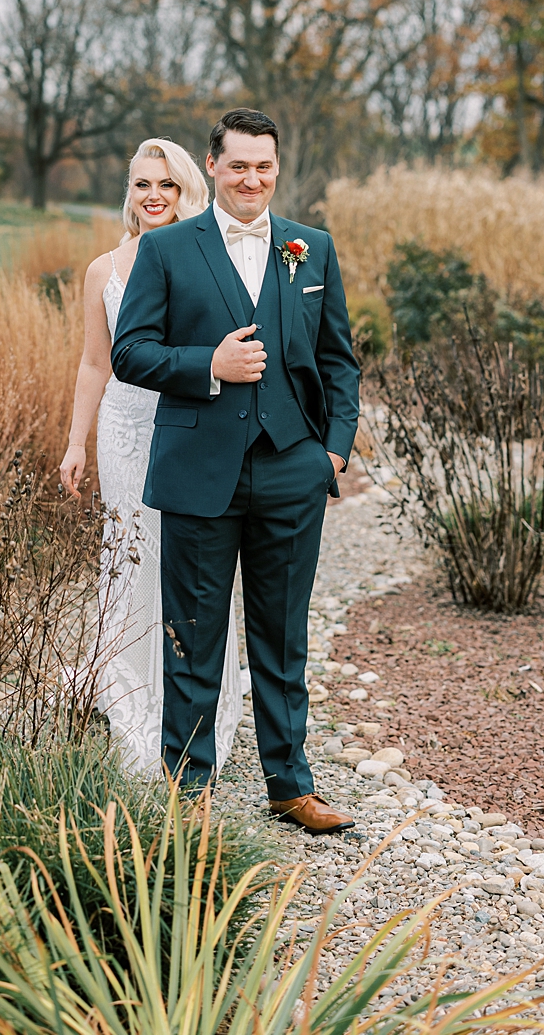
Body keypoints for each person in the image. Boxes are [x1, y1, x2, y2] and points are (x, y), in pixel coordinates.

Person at [111, 107, 361, 833]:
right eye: (239, 164)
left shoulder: (310, 248)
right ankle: (188, 792)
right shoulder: (167, 251)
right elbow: (131, 352)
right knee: (193, 635)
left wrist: (333, 450)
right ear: (213, 168)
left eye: (265, 165)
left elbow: (340, 361)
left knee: (283, 637)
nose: (253, 177)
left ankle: (290, 786)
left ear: (276, 168)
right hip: (199, 470)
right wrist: (207, 366)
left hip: (292, 470)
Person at [59, 138, 240, 776]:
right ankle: (127, 687)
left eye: (165, 183)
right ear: (128, 193)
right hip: (125, 430)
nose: (153, 195)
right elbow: (93, 363)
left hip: (189, 427)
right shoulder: (103, 270)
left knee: (187, 557)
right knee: (129, 556)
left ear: (186, 188)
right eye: (141, 184)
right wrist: (76, 441)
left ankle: (190, 696)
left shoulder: (204, 261)